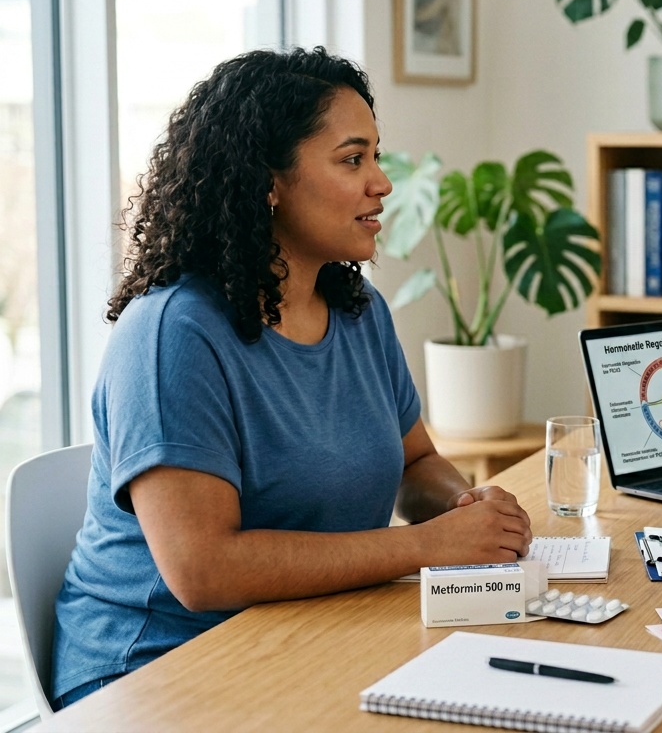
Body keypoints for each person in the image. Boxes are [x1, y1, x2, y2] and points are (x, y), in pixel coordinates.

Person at [51, 47, 533, 708]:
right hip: (154, 671)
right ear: (268, 181)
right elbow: (203, 570)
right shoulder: (173, 334)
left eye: (377, 156)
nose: (382, 183)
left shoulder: (359, 312)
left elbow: (414, 461)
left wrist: (462, 509)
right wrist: (423, 546)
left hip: (315, 631)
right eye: (352, 159)